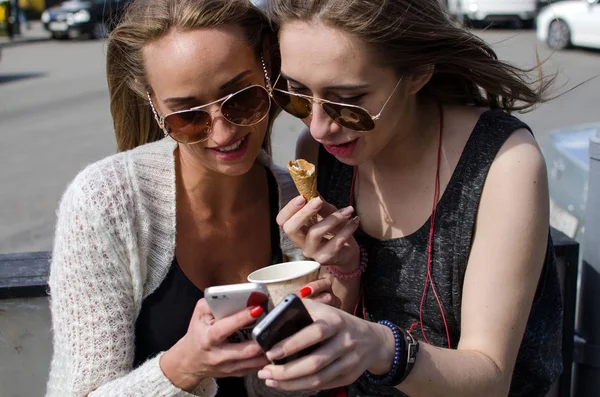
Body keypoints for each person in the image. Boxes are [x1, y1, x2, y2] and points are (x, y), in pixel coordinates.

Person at [258, 0, 564, 396]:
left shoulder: (503, 162)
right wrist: (340, 268)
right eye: (296, 96)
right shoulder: (319, 155)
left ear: (418, 72)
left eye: (347, 101)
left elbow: (491, 378)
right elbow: (341, 325)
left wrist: (380, 346)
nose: (317, 126)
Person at [44, 0, 350, 396]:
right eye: (187, 115)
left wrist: (341, 277)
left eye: (241, 98)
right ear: (154, 105)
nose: (222, 134)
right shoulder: (106, 202)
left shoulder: (295, 203)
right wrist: (181, 369)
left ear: (267, 71)